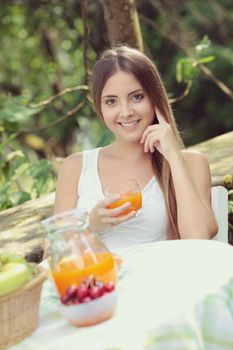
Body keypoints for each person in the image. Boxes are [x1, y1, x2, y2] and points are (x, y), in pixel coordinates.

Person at [53, 45, 218, 250]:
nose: (125, 112)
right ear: (100, 107)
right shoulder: (76, 167)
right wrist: (90, 226)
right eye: (111, 101)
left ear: (155, 99)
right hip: (100, 280)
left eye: (137, 97)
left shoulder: (191, 163)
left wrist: (174, 157)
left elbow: (199, 241)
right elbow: (50, 256)